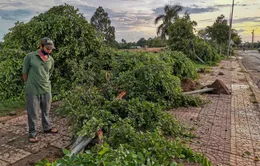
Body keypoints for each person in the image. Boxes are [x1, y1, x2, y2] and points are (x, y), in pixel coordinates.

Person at [22, 37, 58, 143]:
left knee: (46, 111)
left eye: (51, 49)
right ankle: (32, 134)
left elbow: (49, 73)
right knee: (33, 113)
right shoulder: (30, 57)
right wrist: (28, 84)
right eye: (47, 48)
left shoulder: (51, 60)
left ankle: (47, 128)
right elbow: (25, 73)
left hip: (46, 89)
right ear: (41, 46)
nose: (49, 51)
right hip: (32, 90)